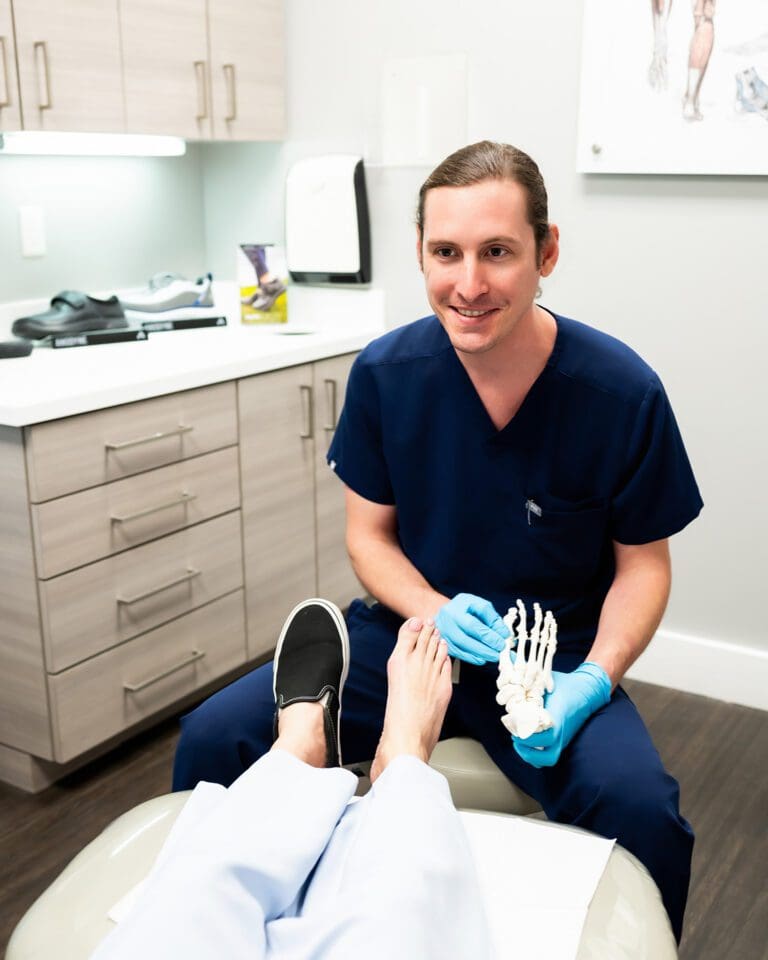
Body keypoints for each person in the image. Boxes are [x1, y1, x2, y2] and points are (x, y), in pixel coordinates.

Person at [174, 140, 702, 943]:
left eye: (498, 252)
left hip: (548, 663)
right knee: (215, 735)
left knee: (644, 811)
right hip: (407, 633)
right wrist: (433, 609)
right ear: (419, 252)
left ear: (546, 251)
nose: (470, 284)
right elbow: (368, 537)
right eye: (445, 252)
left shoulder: (620, 392)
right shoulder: (389, 373)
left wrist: (592, 682)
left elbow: (643, 568)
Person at [93, 599, 491, 960]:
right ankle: (403, 757)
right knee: (400, 908)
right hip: (413, 612)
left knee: (195, 898)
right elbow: (367, 538)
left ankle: (298, 754)